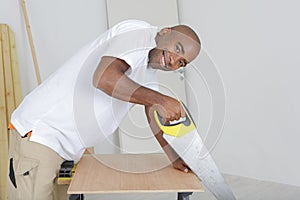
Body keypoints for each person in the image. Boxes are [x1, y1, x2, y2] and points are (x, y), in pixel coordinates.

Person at [6, 19, 201, 200]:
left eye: (181, 62)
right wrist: (162, 99)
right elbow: (104, 78)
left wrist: (174, 157)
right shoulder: (138, 32)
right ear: (165, 32)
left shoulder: (148, 73)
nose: (174, 60)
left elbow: (153, 111)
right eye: (177, 48)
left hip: (67, 150)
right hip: (41, 137)